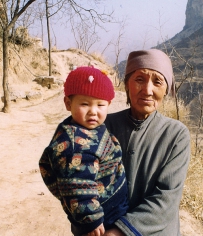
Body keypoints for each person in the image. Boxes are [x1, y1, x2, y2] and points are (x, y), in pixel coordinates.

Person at [103, 49, 191, 236]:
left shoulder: (176, 135)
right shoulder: (104, 126)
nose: (148, 90)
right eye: (139, 79)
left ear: (166, 89)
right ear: (127, 84)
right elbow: (80, 181)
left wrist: (119, 231)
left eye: (157, 81)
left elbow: (166, 199)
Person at [39, 66, 129, 236]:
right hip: (100, 216)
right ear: (68, 103)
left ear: (108, 104)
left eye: (100, 105)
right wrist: (91, 219)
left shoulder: (87, 127)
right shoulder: (73, 145)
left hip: (110, 205)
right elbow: (77, 187)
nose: (93, 112)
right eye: (84, 104)